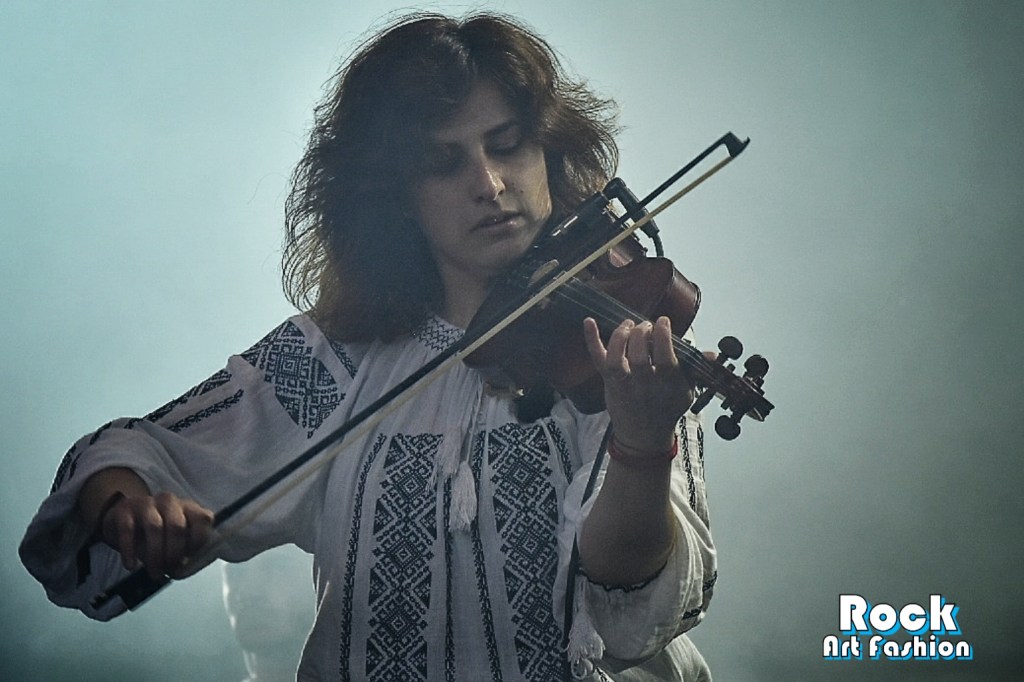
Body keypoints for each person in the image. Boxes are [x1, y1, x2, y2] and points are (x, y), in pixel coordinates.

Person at [20, 12, 716, 681]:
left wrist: (642, 440)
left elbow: (629, 615)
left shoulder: (618, 352)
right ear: (395, 196)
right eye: (443, 163)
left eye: (506, 146)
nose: (489, 184)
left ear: (548, 153)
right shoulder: (338, 360)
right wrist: (128, 505)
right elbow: (131, 452)